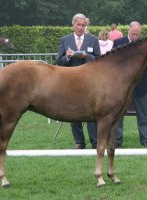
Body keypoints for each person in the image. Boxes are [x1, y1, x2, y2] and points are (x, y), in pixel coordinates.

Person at [57, 13, 101, 149]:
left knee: (92, 111)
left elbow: (99, 60)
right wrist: (68, 57)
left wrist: (87, 56)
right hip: (71, 82)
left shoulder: (93, 39)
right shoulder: (65, 40)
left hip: (89, 81)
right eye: (78, 25)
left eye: (83, 25)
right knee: (74, 111)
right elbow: (59, 61)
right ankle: (79, 142)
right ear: (73, 25)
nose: (81, 27)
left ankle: (95, 142)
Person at [113, 21, 147, 148]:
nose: (135, 36)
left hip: (140, 84)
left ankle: (145, 140)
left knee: (143, 114)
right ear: (128, 31)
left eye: (137, 34)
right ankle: (117, 140)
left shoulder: (144, 43)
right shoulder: (118, 43)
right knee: (119, 114)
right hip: (122, 86)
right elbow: (114, 62)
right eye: (133, 33)